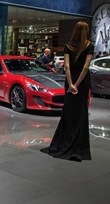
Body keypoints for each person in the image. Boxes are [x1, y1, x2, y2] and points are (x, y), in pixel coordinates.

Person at [40, 21, 94, 162]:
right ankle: (79, 146)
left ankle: (63, 142)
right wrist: (77, 84)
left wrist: (71, 84)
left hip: (71, 82)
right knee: (81, 112)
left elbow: (68, 67)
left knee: (68, 111)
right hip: (82, 83)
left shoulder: (68, 47)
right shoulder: (90, 46)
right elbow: (86, 67)